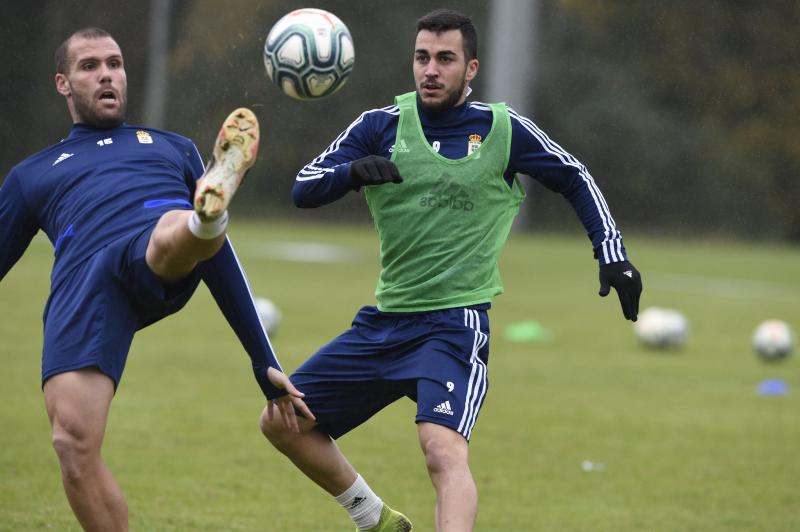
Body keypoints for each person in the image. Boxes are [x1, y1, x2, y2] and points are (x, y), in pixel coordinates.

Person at [260, 8, 642, 532]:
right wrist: (352, 172)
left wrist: (612, 254)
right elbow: (305, 186)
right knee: (282, 422)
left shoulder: (504, 131)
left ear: (471, 68)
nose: (430, 70)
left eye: (445, 58)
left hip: (453, 326)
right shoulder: (381, 126)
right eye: (422, 58)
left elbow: (575, 176)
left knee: (442, 453)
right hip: (383, 324)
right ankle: (373, 518)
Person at [0, 27, 312, 532]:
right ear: (63, 83)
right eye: (89, 66)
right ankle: (203, 218)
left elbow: (223, 263)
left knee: (171, 231)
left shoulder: (170, 147)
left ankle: (205, 213)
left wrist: (262, 356)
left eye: (115, 63)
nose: (106, 74)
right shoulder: (31, 174)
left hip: (155, 242)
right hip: (86, 281)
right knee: (72, 445)